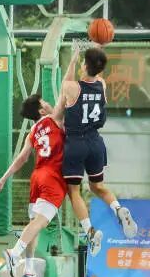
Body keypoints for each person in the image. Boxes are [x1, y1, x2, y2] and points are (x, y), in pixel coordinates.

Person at [0, 95, 103, 277]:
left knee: (34, 225)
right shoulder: (55, 118)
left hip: (37, 176)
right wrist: (73, 76)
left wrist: (3, 179)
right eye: (45, 102)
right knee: (40, 222)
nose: (49, 103)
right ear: (42, 110)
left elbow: (22, 158)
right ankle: (13, 253)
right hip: (53, 177)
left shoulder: (34, 130)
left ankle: (28, 270)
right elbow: (64, 96)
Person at [59, 47, 137, 239]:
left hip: (76, 143)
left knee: (74, 191)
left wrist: (73, 59)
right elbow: (93, 73)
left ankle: (90, 231)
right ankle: (118, 208)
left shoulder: (72, 88)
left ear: (85, 66)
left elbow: (65, 84)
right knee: (98, 186)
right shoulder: (101, 84)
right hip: (95, 142)